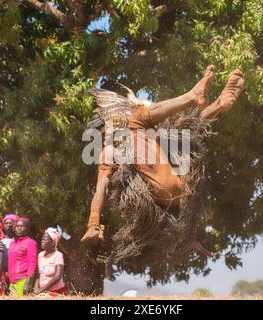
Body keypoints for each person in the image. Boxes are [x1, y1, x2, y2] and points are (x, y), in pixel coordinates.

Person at [81, 66, 245, 251]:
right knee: (143, 119)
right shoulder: (111, 150)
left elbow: (99, 190)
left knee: (183, 131)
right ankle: (192, 96)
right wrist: (93, 224)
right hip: (167, 196)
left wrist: (93, 223)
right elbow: (100, 190)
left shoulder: (146, 135)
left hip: (180, 185)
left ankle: (218, 104)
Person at [34, 227, 68, 296]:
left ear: (53, 242)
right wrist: (36, 288)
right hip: (42, 291)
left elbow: (57, 276)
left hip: (56, 292)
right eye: (42, 239)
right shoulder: (40, 255)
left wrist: (41, 290)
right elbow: (39, 274)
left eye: (44, 239)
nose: (42, 241)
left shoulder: (58, 255)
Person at [7, 217, 37, 296]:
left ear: (27, 229)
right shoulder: (12, 243)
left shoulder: (30, 242)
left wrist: (27, 283)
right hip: (12, 281)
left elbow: (32, 263)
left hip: (22, 280)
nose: (19, 228)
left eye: (22, 226)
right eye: (17, 226)